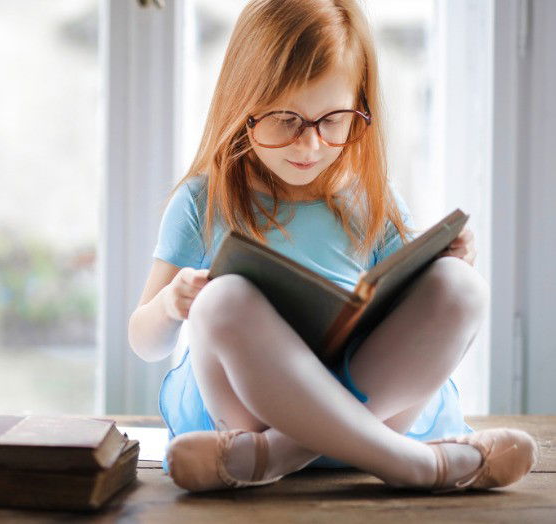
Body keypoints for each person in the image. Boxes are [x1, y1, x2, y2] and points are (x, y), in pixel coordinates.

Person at [128, 0, 537, 494]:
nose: (309, 146)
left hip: (365, 405)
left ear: (359, 108)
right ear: (243, 105)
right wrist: (173, 303)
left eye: (333, 120)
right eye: (285, 120)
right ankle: (416, 466)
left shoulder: (372, 196)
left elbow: (415, 309)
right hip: (248, 410)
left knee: (462, 287)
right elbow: (144, 342)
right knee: (221, 300)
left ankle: (278, 455)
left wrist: (446, 261)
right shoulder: (204, 199)